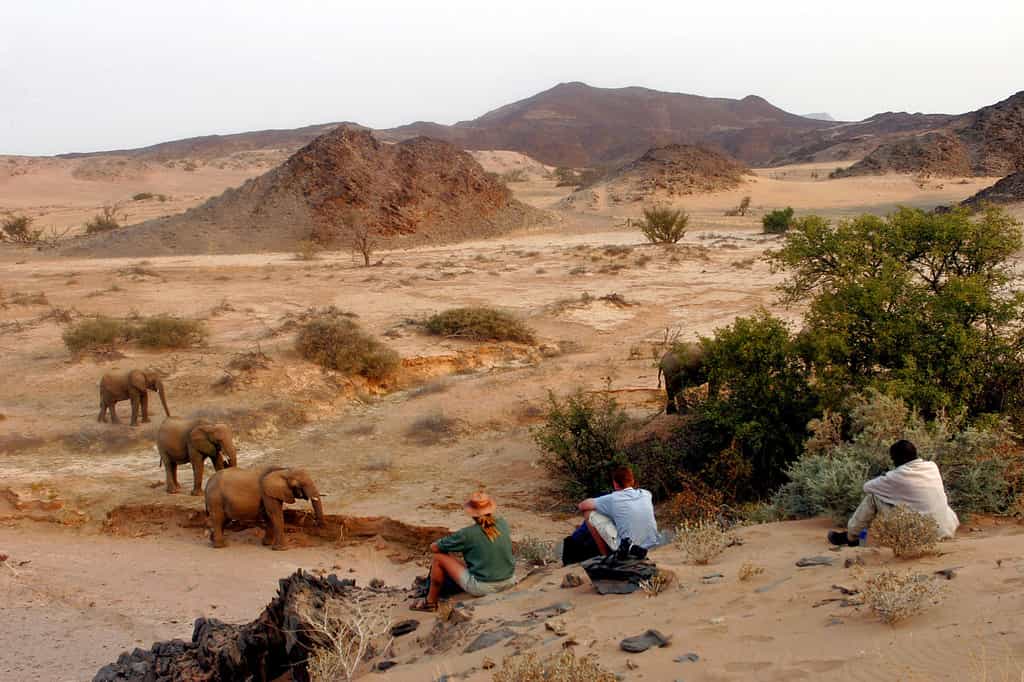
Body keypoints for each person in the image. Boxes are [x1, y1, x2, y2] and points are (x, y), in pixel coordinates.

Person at [828, 440, 960, 546]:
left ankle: (851, 537)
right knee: (934, 499)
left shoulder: (897, 475)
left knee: (873, 497)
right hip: (946, 531)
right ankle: (942, 531)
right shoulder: (932, 466)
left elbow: (867, 487)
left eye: (893, 459)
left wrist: (886, 478)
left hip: (920, 536)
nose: (893, 462)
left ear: (899, 458)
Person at [411, 491, 516, 611]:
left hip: (483, 587)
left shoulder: (467, 534)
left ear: (472, 513)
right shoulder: (502, 523)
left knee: (438, 558)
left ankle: (430, 602)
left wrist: (448, 544)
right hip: (509, 581)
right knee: (467, 559)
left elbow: (434, 548)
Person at [576, 465, 659, 557]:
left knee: (588, 513)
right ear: (632, 481)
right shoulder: (646, 494)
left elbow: (582, 506)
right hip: (652, 542)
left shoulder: (613, 499)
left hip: (627, 546)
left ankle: (604, 555)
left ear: (615, 483)